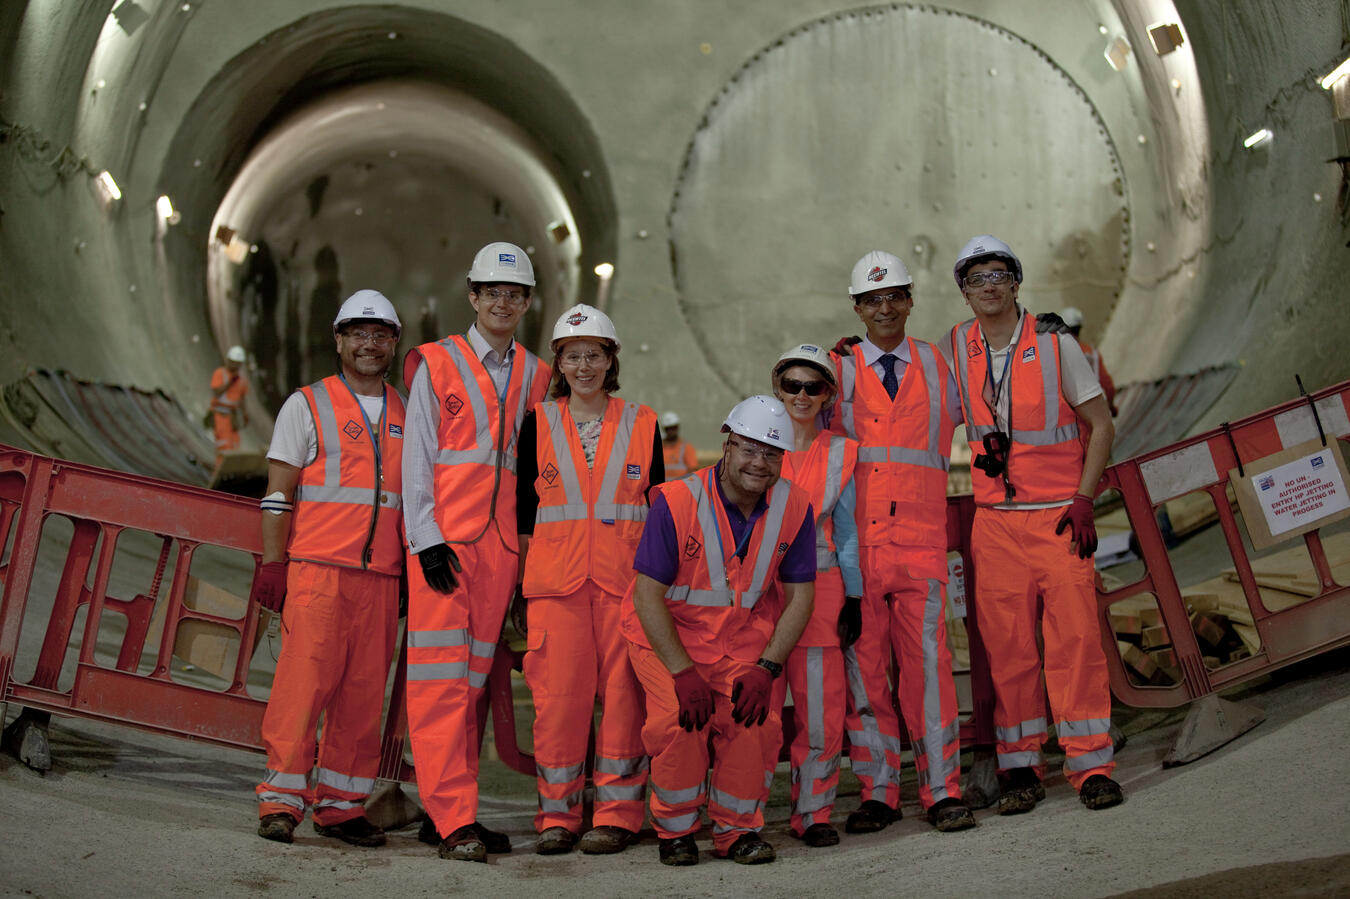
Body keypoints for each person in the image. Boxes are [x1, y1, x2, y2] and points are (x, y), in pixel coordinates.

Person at [944, 235, 1123, 813]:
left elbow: (1100, 423)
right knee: (1009, 650)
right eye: (976, 278)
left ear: (1016, 282)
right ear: (965, 293)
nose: (988, 285)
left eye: (998, 274)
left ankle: (1091, 765)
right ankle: (1021, 767)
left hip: (1056, 519)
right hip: (995, 523)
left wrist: (1084, 497)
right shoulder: (956, 345)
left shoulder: (1054, 343)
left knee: (1075, 644)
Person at [401, 242, 552, 862]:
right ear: (472, 295)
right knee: (439, 685)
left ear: (526, 301)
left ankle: (448, 811)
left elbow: (534, 472)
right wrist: (425, 536)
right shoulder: (436, 363)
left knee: (468, 687)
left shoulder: (538, 374)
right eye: (492, 290)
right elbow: (418, 456)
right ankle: (453, 816)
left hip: (499, 554)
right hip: (445, 546)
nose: (502, 301)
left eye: (514, 293)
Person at [622, 396, 816, 866]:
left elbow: (802, 597)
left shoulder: (795, 506)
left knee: (756, 722)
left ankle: (737, 830)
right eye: (749, 449)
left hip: (740, 644)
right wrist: (683, 674)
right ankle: (676, 828)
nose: (759, 462)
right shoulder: (678, 501)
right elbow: (648, 598)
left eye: (772, 454)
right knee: (678, 721)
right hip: (670, 640)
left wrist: (767, 669)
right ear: (727, 446)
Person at [249, 289, 406, 847]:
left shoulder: (408, 415)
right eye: (359, 333)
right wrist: (274, 563)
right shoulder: (307, 404)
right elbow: (277, 495)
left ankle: (341, 806)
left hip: (383, 580)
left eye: (381, 334)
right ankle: (281, 801)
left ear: (393, 344)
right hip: (317, 573)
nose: (370, 344)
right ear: (338, 340)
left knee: (363, 698)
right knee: (302, 689)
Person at [827, 251, 976, 833]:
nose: (884, 307)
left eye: (894, 297)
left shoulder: (942, 366)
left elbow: (998, 383)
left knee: (929, 673)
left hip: (920, 548)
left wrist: (1052, 331)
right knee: (864, 675)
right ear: (857, 308)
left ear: (911, 300)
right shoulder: (836, 372)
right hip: (856, 552)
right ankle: (879, 793)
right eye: (871, 299)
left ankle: (942, 791)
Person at [515, 304, 664, 855]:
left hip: (625, 587)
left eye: (594, 355)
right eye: (573, 355)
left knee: (626, 702)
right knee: (558, 704)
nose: (584, 365)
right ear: (558, 362)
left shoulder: (642, 422)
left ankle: (618, 815)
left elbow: (656, 511)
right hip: (556, 588)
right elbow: (524, 510)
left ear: (610, 360)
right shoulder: (538, 421)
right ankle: (558, 816)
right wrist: (518, 585)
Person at [766, 344, 863, 847]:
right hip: (761, 601)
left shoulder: (842, 452)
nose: (802, 396)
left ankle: (814, 813)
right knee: (757, 714)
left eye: (813, 386)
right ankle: (743, 818)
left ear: (828, 394)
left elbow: (845, 532)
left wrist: (856, 597)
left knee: (821, 714)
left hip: (823, 598)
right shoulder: (756, 444)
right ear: (777, 389)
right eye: (792, 386)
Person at [1061, 306, 1118, 416]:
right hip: (1095, 411)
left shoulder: (1057, 353)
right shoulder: (1093, 354)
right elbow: (1108, 385)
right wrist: (1111, 407)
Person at [211, 345, 250, 465]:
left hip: (232, 418)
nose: (236, 365)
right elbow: (216, 392)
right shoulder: (220, 373)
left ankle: (229, 470)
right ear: (228, 360)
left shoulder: (242, 380)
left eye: (238, 363)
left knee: (234, 445)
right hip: (220, 415)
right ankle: (219, 470)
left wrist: (244, 415)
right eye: (234, 362)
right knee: (224, 445)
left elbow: (242, 398)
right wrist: (230, 382)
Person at [661, 411, 699, 478]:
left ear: (677, 427)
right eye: (668, 428)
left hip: (680, 487)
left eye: (673, 427)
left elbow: (693, 470)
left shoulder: (686, 448)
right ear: (664, 429)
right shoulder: (655, 448)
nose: (671, 431)